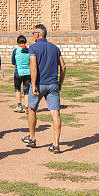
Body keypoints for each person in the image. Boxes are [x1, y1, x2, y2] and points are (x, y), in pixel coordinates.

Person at [23, 24, 66, 154]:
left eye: (33, 34)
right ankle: (56, 144)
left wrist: (34, 84)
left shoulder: (33, 47)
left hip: (40, 84)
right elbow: (63, 66)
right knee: (55, 113)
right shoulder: (55, 48)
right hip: (53, 84)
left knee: (32, 109)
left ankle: (32, 138)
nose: (32, 36)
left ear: (37, 34)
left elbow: (33, 65)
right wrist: (60, 83)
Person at [12, 34, 31, 113]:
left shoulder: (16, 50)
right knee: (26, 91)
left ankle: (19, 106)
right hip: (28, 72)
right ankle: (27, 107)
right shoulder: (29, 50)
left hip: (18, 72)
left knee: (18, 89)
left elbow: (13, 61)